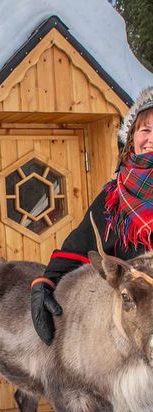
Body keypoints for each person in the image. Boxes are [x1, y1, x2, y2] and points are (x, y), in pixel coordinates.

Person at [31, 86, 153, 345]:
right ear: (131, 138)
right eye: (146, 130)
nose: (152, 139)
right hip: (127, 336)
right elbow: (77, 247)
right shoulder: (113, 199)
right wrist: (45, 283)